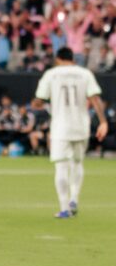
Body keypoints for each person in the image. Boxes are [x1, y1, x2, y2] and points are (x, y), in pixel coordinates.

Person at [34, 46, 108, 218]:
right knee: (77, 163)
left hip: (61, 127)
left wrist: (38, 103)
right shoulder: (85, 74)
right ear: (72, 58)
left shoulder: (51, 74)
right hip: (81, 126)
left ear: (58, 59)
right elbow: (95, 99)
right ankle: (74, 198)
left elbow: (39, 101)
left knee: (61, 166)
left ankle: (64, 208)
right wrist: (103, 122)